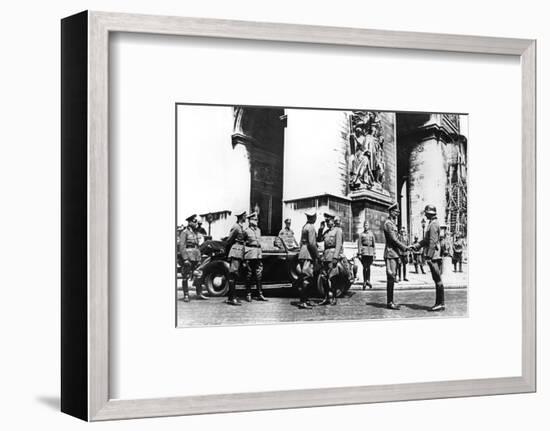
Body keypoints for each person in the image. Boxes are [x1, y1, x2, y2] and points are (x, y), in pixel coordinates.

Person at [411, 205, 446, 311]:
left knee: (437, 279)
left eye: (426, 212)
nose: (425, 214)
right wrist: (416, 246)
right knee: (436, 279)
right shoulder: (431, 223)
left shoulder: (434, 224)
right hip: (433, 256)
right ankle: (439, 303)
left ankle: (440, 303)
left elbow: (432, 242)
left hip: (434, 256)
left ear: (430, 213)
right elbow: (426, 240)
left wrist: (428, 256)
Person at [382, 203, 409, 310]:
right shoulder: (388, 224)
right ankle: (390, 302)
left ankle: (391, 301)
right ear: (391, 212)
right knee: (391, 277)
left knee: (392, 277)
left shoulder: (393, 224)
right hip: (390, 254)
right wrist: (405, 247)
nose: (397, 213)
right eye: (396, 212)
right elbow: (393, 239)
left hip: (395, 253)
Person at [178, 214, 209, 302]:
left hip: (195, 257)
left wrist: (199, 257)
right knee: (186, 276)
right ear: (190, 222)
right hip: (188, 257)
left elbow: (197, 246)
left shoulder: (195, 233)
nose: (196, 223)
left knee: (198, 274)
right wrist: (185, 259)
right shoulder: (185, 232)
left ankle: (199, 293)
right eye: (194, 221)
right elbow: (182, 247)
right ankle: (186, 295)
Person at [296, 211, 319, 309]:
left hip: (302, 253)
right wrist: (317, 256)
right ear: (313, 217)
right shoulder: (311, 227)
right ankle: (303, 302)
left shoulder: (304, 226)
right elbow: (312, 244)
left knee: (304, 278)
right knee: (307, 278)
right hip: (308, 254)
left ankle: (306, 299)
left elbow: (301, 242)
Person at [319, 213, 343, 306]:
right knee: (324, 278)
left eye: (328, 221)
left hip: (332, 256)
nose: (327, 223)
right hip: (325, 256)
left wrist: (335, 257)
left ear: (333, 221)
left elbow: (338, 245)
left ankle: (333, 298)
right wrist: (321, 229)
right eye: (326, 221)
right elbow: (319, 239)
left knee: (333, 278)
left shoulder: (338, 231)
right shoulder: (326, 232)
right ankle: (326, 297)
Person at [224, 210, 247, 306]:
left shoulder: (241, 227)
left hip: (240, 251)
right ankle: (232, 298)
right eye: (245, 215)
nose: (246, 217)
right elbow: (229, 240)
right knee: (233, 274)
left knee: (236, 274)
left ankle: (231, 296)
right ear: (241, 216)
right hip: (236, 251)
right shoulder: (236, 227)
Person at [358, 220, 376, 289]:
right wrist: (359, 253)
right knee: (364, 267)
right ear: (363, 226)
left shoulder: (371, 234)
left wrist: (374, 254)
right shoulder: (361, 234)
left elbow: (374, 245)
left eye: (367, 225)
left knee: (369, 267)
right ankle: (364, 281)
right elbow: (359, 244)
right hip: (364, 253)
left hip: (370, 253)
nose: (366, 226)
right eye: (365, 225)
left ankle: (368, 280)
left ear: (369, 226)